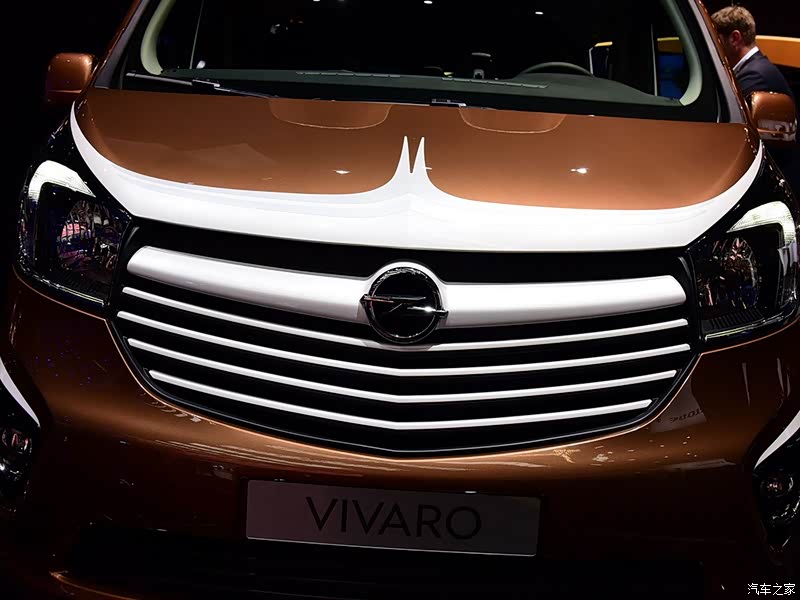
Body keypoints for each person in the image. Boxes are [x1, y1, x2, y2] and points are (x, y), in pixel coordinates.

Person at [710, 5, 794, 101]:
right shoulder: (752, 69)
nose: (714, 46)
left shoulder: (755, 77)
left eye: (717, 40)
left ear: (734, 38)